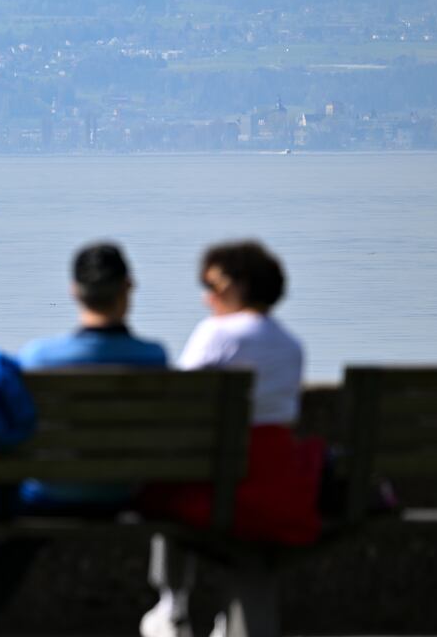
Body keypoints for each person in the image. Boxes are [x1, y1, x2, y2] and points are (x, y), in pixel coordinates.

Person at [0, 242, 168, 637]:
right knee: (17, 541)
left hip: (52, 494)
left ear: (74, 291)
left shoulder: (40, 358)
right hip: (120, 493)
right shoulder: (154, 358)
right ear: (128, 289)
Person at [138, 240, 320, 637]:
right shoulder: (292, 346)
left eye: (213, 287)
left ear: (237, 287)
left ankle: (172, 604)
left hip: (222, 486)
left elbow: (178, 401)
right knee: (249, 549)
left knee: (163, 485)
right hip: (276, 487)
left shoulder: (218, 334)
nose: (207, 299)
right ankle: (231, 623)